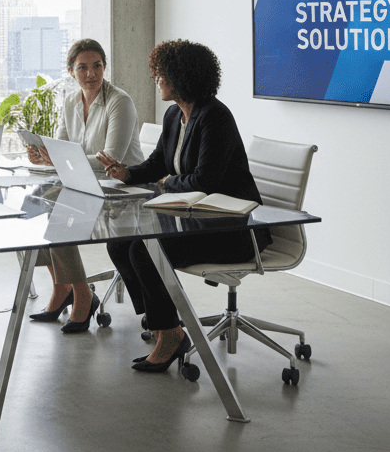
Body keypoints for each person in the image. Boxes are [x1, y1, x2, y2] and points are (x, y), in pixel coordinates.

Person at [95, 40, 264, 372]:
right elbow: (159, 162)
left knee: (144, 251)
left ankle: (170, 334)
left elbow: (206, 180)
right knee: (120, 243)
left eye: (161, 75)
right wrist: (127, 172)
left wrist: (164, 184)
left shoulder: (215, 117)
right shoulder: (175, 114)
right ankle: (162, 324)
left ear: (182, 77)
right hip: (193, 220)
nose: (156, 80)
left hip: (230, 228)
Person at [25, 38, 144, 333]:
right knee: (34, 205)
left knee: (60, 210)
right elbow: (62, 148)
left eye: (97, 66)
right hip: (85, 182)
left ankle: (82, 294)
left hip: (122, 188)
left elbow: (111, 158)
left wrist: (59, 158)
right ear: (70, 70)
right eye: (83, 68)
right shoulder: (69, 101)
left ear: (104, 67)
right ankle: (62, 287)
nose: (91, 74)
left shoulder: (120, 101)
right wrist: (46, 158)